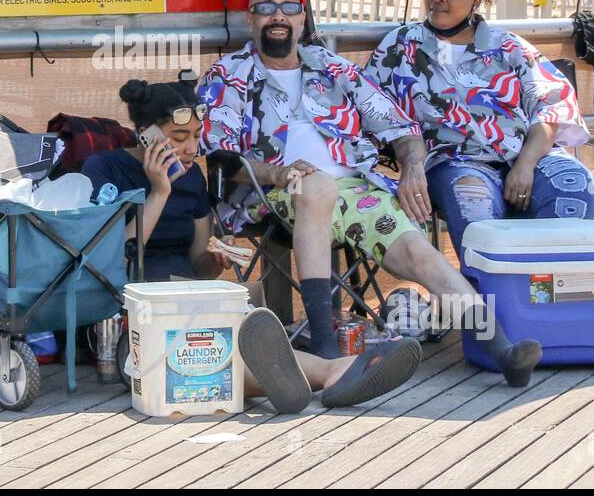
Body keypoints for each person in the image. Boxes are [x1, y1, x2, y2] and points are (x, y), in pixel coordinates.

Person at [198, 0, 543, 387]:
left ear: (302, 17)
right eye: (265, 8)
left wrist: (413, 167)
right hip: (274, 190)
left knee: (419, 252)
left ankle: (502, 350)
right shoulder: (229, 74)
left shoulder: (332, 67)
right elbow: (219, 156)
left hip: (358, 189)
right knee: (317, 185)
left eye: (289, 7)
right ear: (250, 19)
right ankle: (326, 350)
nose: (278, 16)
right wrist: (278, 172)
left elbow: (399, 127)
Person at [82, 77, 419, 412]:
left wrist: (215, 258)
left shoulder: (193, 177)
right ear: (147, 134)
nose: (192, 149)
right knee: (208, 345)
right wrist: (160, 191)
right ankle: (329, 372)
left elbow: (198, 268)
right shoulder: (105, 168)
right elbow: (110, 260)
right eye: (179, 137)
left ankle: (309, 376)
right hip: (136, 313)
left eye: (197, 136)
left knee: (221, 334)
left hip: (187, 298)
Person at [361, 0, 594, 261]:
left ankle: (547, 283)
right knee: (473, 206)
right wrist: (408, 159)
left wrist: (526, 164)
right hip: (456, 162)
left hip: (524, 156)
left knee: (574, 184)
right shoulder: (401, 48)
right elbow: (370, 107)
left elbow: (550, 107)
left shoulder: (508, 47)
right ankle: (491, 292)